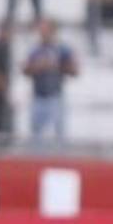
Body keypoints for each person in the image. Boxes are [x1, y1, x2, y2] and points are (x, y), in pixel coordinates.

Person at [23, 19, 78, 148]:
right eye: (41, 30)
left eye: (45, 30)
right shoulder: (35, 50)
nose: (42, 33)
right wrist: (38, 67)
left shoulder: (62, 49)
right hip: (38, 96)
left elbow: (74, 71)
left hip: (55, 97)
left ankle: (59, 157)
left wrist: (58, 65)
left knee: (59, 134)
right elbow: (25, 70)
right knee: (36, 134)